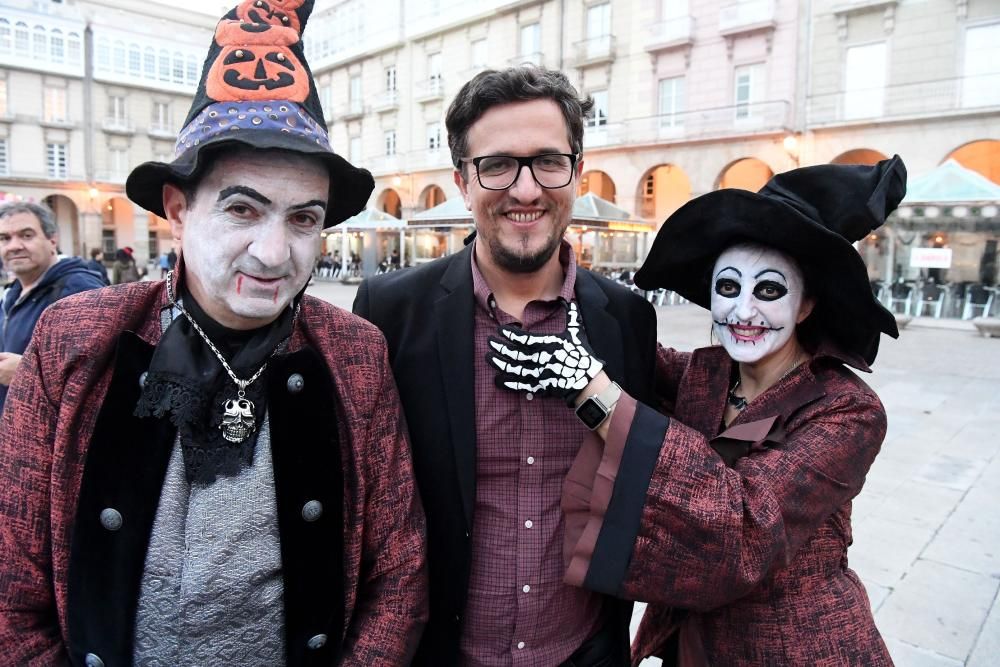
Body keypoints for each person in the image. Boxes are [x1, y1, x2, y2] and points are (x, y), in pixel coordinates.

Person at [0, 1, 426, 664]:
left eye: (303, 219)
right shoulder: (74, 340)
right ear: (177, 209)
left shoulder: (355, 354)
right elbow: (10, 585)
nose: (273, 252)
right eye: (242, 208)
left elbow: (398, 576)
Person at [487, 157, 906, 666]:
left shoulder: (848, 411)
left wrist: (592, 394)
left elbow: (745, 523)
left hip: (796, 649)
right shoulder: (702, 376)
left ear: (806, 305)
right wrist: (525, 263)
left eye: (769, 291)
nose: (743, 311)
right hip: (689, 647)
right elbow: (620, 347)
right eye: (728, 288)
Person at [354, 66, 656, 666]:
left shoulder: (627, 320)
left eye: (548, 161)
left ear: (576, 170)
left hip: (584, 654)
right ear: (463, 182)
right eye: (497, 165)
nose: (525, 191)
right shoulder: (390, 313)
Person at [0, 201, 107, 411]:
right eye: (5, 238)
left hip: (50, 438)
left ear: (52, 240)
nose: (14, 245)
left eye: (26, 235)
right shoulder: (10, 295)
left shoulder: (79, 289)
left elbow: (104, 376)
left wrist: (27, 372)